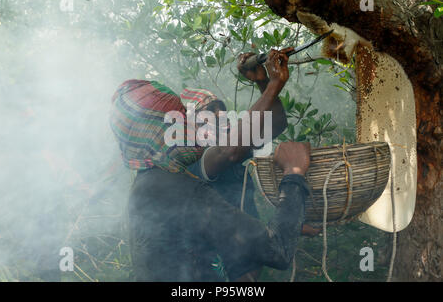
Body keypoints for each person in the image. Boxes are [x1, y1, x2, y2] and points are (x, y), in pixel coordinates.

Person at [110, 48, 312, 281]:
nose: (215, 118)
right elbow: (229, 152)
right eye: (199, 114)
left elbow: (273, 124)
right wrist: (294, 172)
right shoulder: (184, 177)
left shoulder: (156, 180)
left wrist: (265, 82)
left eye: (220, 111)